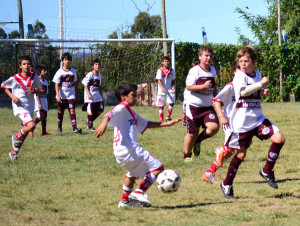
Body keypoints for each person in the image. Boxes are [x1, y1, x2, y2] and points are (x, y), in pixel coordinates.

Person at [94, 83, 181, 208]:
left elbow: (147, 124)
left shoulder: (131, 112)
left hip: (120, 151)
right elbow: (109, 114)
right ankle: (139, 192)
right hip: (129, 149)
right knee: (158, 167)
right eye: (133, 95)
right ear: (123, 97)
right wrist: (103, 123)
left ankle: (124, 202)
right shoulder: (123, 106)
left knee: (132, 174)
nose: (136, 98)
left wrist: (168, 124)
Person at [220, 46, 285, 199]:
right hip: (242, 123)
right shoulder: (239, 77)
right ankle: (227, 183)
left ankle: (267, 171)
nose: (242, 64)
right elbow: (243, 92)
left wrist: (263, 90)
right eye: (240, 61)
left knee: (279, 138)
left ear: (254, 62)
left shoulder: (258, 75)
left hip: (258, 118)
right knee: (241, 155)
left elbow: (254, 89)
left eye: (246, 61)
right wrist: (260, 84)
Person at [1, 56, 44, 160]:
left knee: (27, 130)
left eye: (28, 64)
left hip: (30, 106)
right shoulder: (15, 78)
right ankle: (16, 136)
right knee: (31, 125)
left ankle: (14, 152)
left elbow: (42, 91)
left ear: (31, 66)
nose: (26, 66)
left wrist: (35, 91)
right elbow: (3, 86)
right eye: (24, 64)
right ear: (20, 66)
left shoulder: (34, 77)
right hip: (19, 106)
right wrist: (13, 97)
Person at [201, 65, 238, 184]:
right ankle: (219, 151)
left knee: (233, 149)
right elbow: (217, 101)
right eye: (238, 71)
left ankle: (209, 172)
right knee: (230, 149)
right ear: (234, 72)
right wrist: (222, 117)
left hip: (241, 122)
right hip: (230, 122)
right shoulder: (230, 87)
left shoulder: (244, 87)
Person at [183, 46, 219, 162]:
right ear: (200, 57)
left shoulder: (212, 70)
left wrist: (217, 97)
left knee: (214, 128)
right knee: (192, 133)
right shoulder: (195, 71)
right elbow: (189, 86)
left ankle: (198, 140)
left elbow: (214, 86)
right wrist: (203, 87)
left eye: (210, 56)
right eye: (206, 55)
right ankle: (187, 156)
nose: (208, 58)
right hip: (193, 106)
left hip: (207, 107)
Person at [52, 52, 82, 134]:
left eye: (69, 60)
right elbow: (56, 84)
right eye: (65, 60)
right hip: (62, 96)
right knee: (61, 111)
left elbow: (75, 83)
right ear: (63, 61)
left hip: (71, 95)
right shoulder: (59, 72)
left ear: (71, 61)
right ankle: (59, 128)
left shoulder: (73, 71)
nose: (67, 61)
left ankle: (74, 128)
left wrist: (77, 93)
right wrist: (58, 95)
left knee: (72, 110)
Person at [81, 59, 104, 131]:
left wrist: (101, 95)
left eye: (99, 65)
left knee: (101, 109)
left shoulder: (99, 75)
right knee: (91, 110)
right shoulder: (90, 74)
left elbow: (99, 85)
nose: (97, 66)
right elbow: (84, 84)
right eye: (96, 64)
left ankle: (89, 121)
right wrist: (88, 94)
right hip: (90, 95)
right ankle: (90, 126)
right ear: (92, 66)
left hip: (97, 94)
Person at [155, 56, 176, 122]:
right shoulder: (160, 70)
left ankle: (168, 117)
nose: (167, 63)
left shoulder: (172, 71)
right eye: (165, 61)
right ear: (162, 62)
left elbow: (173, 80)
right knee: (161, 105)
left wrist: (173, 87)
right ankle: (161, 120)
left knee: (172, 103)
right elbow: (159, 80)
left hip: (169, 89)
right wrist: (162, 88)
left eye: (168, 61)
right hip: (162, 90)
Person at [33, 64, 51, 137]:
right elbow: (36, 92)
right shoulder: (37, 81)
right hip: (39, 101)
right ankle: (29, 127)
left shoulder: (45, 81)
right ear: (40, 72)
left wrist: (48, 102)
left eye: (46, 70)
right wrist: (39, 103)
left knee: (44, 117)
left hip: (44, 100)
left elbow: (46, 93)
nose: (46, 72)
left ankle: (44, 132)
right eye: (44, 70)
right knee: (41, 116)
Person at [182, 60, 199, 126]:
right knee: (186, 105)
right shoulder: (191, 74)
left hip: (197, 92)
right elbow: (187, 84)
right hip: (189, 92)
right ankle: (184, 121)